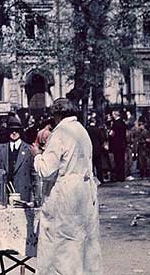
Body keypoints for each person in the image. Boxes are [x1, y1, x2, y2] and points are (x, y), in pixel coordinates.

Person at [32, 98, 100, 275]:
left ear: (57, 114)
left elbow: (46, 170)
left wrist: (37, 155)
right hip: (85, 190)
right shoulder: (81, 130)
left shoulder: (60, 132)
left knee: (61, 245)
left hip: (65, 192)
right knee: (82, 243)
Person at [0, 115, 37, 202]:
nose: (14, 133)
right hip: (5, 192)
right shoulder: (1, 148)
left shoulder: (28, 149)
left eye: (16, 130)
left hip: (23, 192)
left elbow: (34, 173)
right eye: (11, 130)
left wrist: (36, 195)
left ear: (20, 132)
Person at [109, 109, 127, 182]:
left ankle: (118, 176)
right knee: (122, 161)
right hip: (122, 144)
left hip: (116, 144)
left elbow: (112, 134)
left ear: (115, 115)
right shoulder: (122, 123)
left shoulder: (115, 124)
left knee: (117, 160)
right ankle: (122, 176)